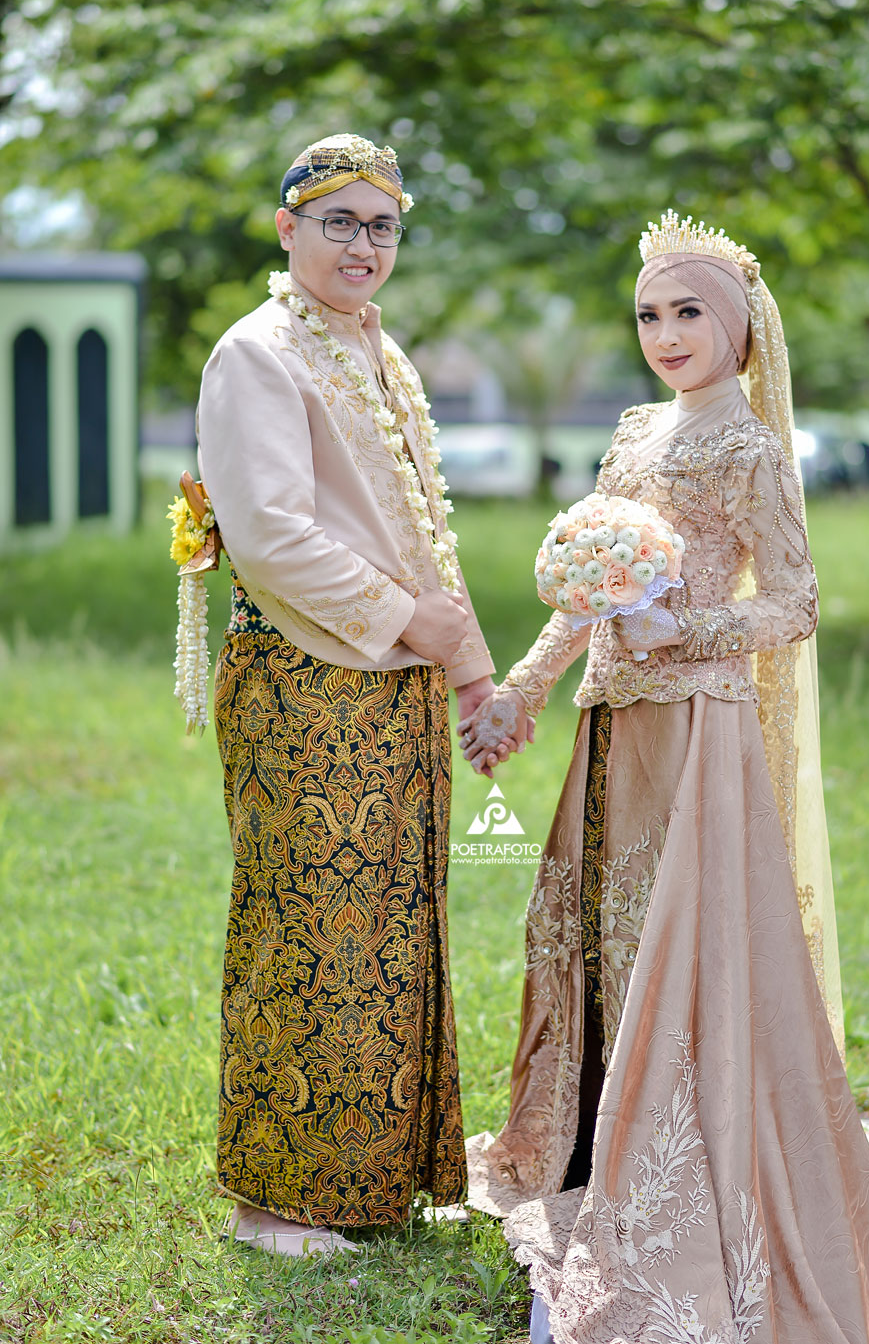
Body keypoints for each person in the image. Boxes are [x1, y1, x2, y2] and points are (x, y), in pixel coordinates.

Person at [458, 213, 869, 1340]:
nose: (665, 332)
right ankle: (582, 1133)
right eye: (649, 313)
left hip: (697, 728)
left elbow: (794, 603)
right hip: (613, 722)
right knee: (591, 926)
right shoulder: (633, 429)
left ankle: (679, 1155)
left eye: (688, 310)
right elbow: (584, 596)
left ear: (740, 327)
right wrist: (521, 689)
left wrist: (682, 625)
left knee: (678, 942)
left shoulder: (750, 448)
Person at [196, 133, 495, 1256]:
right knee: (307, 926)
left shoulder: (382, 350)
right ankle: (276, 1199)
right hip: (305, 679)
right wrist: (406, 621)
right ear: (287, 230)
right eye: (337, 222)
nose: (361, 244)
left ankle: (373, 1182)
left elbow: (424, 526)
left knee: (389, 929)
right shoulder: (257, 353)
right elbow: (269, 536)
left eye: (381, 225)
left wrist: (464, 665)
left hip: (395, 686)